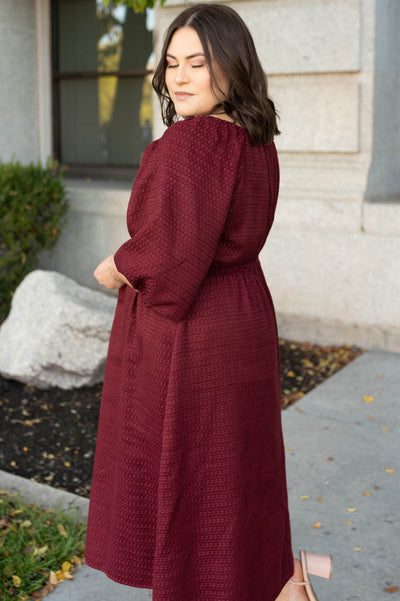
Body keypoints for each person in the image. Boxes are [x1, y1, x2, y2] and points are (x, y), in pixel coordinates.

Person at [85, 4, 333, 601]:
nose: (180, 76)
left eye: (198, 62)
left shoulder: (192, 142)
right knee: (239, 465)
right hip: (244, 311)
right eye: (172, 63)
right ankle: (284, 583)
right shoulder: (254, 139)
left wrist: (118, 265)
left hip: (194, 325)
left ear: (231, 66)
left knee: (192, 473)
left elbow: (171, 254)